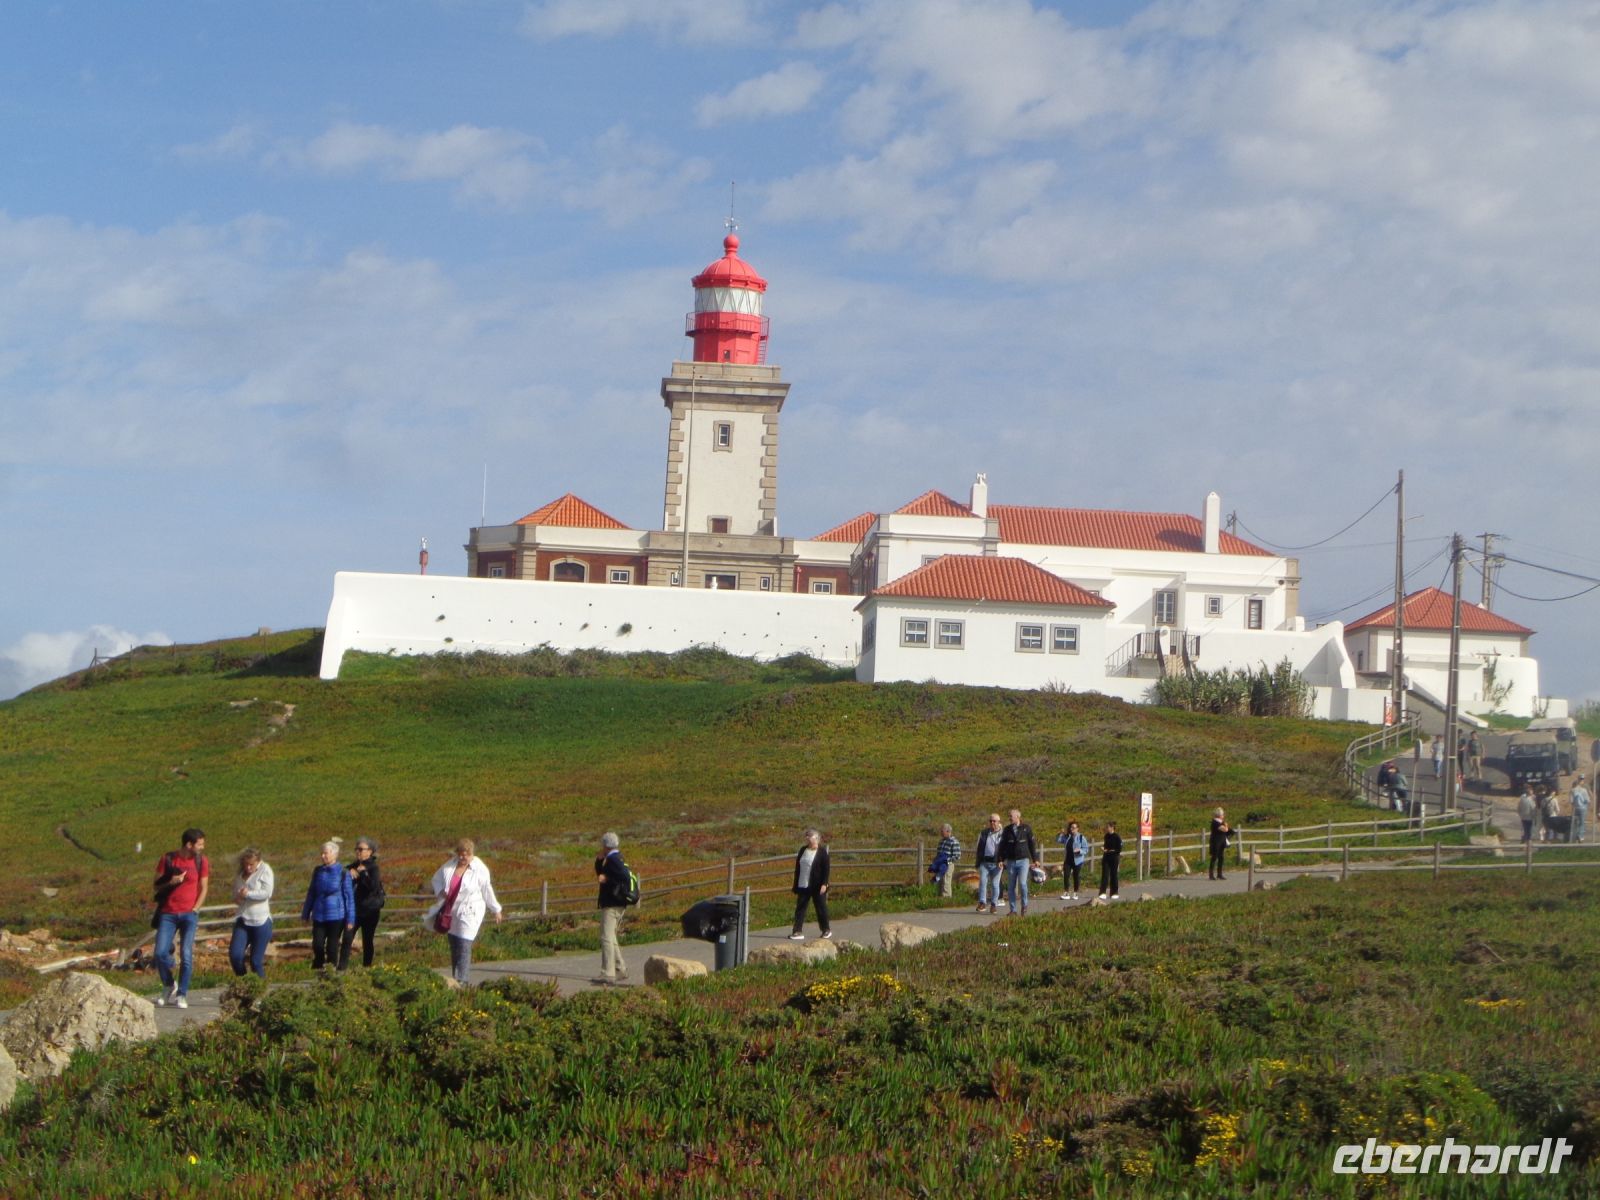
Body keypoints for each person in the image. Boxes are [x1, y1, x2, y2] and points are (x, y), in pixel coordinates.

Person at [427, 838, 503, 986]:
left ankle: (463, 980)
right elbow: (436, 879)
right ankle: (456, 978)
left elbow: (486, 889)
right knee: (454, 944)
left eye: (467, 854)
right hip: (451, 912)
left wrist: (496, 909)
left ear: (472, 854)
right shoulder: (450, 865)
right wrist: (441, 891)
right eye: (461, 854)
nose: (463, 857)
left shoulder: (479, 868)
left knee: (464, 943)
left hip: (470, 912)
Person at [152, 827, 209, 1009]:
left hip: (189, 914)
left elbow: (204, 887)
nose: (202, 847)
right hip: (168, 913)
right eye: (200, 844)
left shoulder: (201, 861)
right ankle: (169, 984)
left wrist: (196, 908)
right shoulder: (168, 859)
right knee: (160, 953)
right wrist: (171, 882)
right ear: (189, 844)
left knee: (186, 954)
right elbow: (156, 885)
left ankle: (182, 994)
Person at [301, 841, 355, 970]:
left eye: (326, 853)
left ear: (334, 854)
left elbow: (349, 897)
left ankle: (331, 972)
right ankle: (319, 966)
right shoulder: (318, 871)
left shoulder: (343, 873)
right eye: (322, 853)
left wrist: (350, 919)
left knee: (332, 946)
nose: (323, 856)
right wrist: (305, 913)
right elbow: (312, 892)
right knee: (317, 944)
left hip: (337, 915)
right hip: (319, 914)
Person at [338, 837, 385, 970]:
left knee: (367, 940)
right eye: (356, 849)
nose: (358, 852)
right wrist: (348, 872)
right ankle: (341, 968)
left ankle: (367, 968)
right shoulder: (353, 866)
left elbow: (373, 887)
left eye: (361, 849)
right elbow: (341, 873)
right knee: (347, 938)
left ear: (369, 851)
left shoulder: (373, 867)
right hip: (355, 911)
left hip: (370, 910)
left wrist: (363, 873)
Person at [228, 848, 274, 979]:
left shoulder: (265, 870)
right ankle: (244, 981)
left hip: (261, 921)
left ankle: (261, 987)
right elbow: (235, 895)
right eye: (245, 864)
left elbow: (267, 893)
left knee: (255, 961)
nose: (248, 867)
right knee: (235, 956)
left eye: (251, 865)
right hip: (243, 918)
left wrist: (248, 894)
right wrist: (238, 897)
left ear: (258, 862)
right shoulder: (240, 875)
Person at [593, 831, 632, 985]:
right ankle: (620, 968)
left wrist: (607, 879)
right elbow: (601, 875)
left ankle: (608, 973)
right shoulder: (615, 858)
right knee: (611, 937)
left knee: (606, 938)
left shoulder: (614, 859)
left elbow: (624, 878)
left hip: (612, 903)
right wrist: (598, 862)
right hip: (616, 903)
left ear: (605, 845)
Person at [789, 829, 832, 940]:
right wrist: (795, 884)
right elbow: (798, 867)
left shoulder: (822, 852)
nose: (807, 838)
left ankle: (826, 930)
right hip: (803, 884)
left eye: (810, 836)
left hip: (817, 885)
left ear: (816, 838)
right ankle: (797, 931)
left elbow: (826, 869)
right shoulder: (803, 850)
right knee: (800, 908)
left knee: (820, 908)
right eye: (807, 836)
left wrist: (824, 884)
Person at [999, 808, 1040, 916]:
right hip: (1011, 861)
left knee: (1022, 883)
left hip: (1023, 861)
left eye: (1011, 816)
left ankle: (1024, 905)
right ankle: (1013, 910)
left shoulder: (1026, 828)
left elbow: (1032, 845)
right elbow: (1002, 846)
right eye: (1009, 816)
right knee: (1011, 886)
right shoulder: (1007, 830)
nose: (1009, 818)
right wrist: (1001, 859)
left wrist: (1035, 859)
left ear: (1017, 817)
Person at [974, 814, 1003, 914]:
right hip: (985, 862)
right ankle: (982, 902)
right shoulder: (984, 833)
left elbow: (1006, 849)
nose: (992, 823)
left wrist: (1002, 860)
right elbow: (979, 847)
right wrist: (978, 861)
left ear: (998, 822)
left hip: (997, 863)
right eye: (990, 821)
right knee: (983, 881)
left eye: (994, 821)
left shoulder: (1003, 834)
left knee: (995, 884)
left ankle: (994, 904)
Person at [1057, 820, 1090, 900]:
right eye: (1071, 827)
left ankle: (1075, 893)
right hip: (1068, 859)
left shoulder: (1081, 837)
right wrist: (1061, 833)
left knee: (1076, 876)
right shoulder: (1067, 837)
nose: (1072, 829)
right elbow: (1058, 840)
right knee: (1066, 875)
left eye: (1074, 828)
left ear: (1077, 829)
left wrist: (1079, 851)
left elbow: (1086, 849)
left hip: (1077, 860)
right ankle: (1066, 892)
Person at [932, 824, 962, 898]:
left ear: (948, 831)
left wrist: (946, 860)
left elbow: (957, 856)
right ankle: (940, 898)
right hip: (940, 864)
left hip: (948, 864)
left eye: (942, 831)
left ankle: (947, 898)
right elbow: (938, 852)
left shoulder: (954, 842)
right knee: (939, 881)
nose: (941, 833)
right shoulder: (941, 841)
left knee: (946, 882)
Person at [1098, 822, 1123, 900]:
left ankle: (1114, 892)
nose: (1107, 829)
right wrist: (1104, 849)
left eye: (1108, 827)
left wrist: (1112, 851)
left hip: (1114, 858)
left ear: (1112, 828)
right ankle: (1102, 892)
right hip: (1106, 857)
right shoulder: (1106, 836)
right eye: (1106, 827)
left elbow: (1119, 849)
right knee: (1105, 875)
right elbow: (1106, 846)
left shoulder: (1117, 837)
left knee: (1114, 875)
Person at [1208, 808, 1231, 880]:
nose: (1223, 816)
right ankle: (1211, 874)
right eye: (1222, 814)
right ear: (1219, 815)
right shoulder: (1215, 822)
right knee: (1214, 857)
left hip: (1221, 842)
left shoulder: (1221, 822)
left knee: (1221, 857)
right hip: (1216, 842)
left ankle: (1219, 874)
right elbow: (1225, 829)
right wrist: (1226, 825)